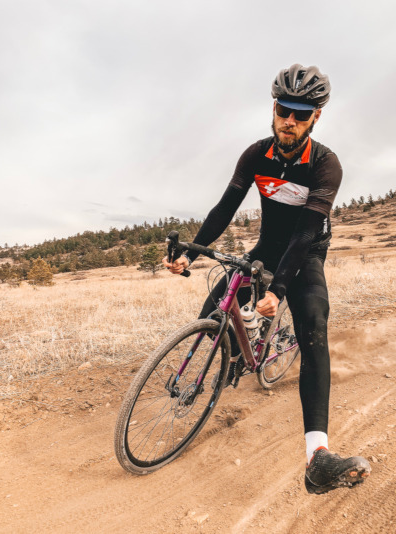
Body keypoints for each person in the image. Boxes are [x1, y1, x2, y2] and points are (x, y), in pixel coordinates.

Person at [163, 64, 371, 494]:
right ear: (273, 108)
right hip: (267, 246)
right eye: (283, 110)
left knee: (313, 325)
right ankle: (222, 363)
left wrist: (278, 289)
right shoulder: (257, 154)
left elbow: (306, 234)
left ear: (316, 117)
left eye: (301, 113)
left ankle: (318, 456)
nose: (289, 121)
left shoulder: (325, 166)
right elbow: (225, 207)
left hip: (306, 253)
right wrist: (190, 252)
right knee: (216, 304)